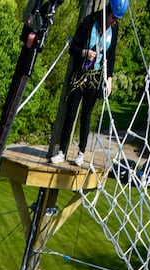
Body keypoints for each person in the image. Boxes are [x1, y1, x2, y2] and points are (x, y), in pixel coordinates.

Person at [49, 1, 128, 168]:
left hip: (96, 77)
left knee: (86, 116)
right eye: (114, 17)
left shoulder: (113, 29)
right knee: (71, 113)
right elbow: (73, 48)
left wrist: (109, 79)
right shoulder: (90, 22)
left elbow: (111, 56)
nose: (115, 21)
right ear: (107, 12)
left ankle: (81, 152)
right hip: (80, 74)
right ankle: (62, 151)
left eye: (117, 19)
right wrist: (85, 52)